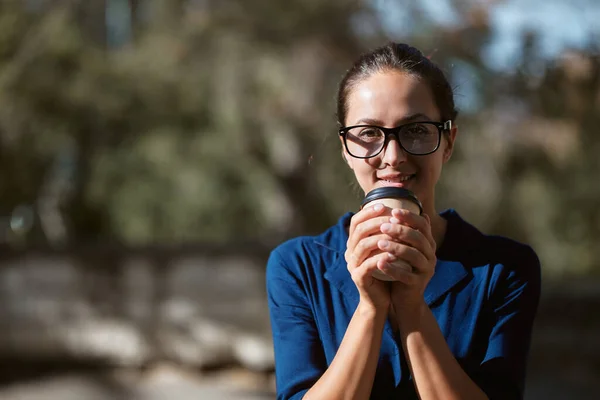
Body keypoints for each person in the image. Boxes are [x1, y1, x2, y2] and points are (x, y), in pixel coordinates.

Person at [266, 42, 541, 400]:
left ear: (448, 141)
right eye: (368, 134)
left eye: (415, 131)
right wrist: (370, 307)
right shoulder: (299, 266)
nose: (392, 156)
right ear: (345, 149)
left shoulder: (504, 270)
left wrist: (412, 306)